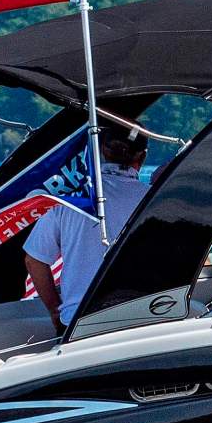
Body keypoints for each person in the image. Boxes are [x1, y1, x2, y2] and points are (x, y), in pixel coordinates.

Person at [23, 126, 151, 328]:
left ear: (99, 150)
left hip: (78, 320)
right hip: (142, 317)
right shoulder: (154, 201)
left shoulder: (67, 199)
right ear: (142, 158)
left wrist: (55, 311)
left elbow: (34, 260)